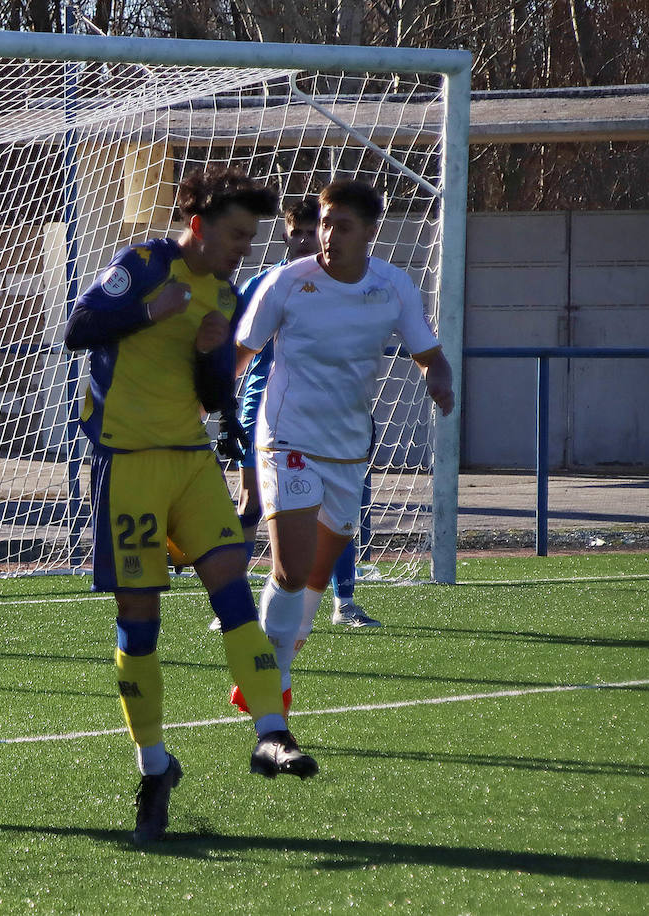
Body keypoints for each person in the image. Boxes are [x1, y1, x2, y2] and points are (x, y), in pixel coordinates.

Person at [65, 165, 318, 845]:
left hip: (189, 462)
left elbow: (213, 398)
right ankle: (154, 768)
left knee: (231, 590)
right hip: (128, 464)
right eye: (236, 235)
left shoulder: (226, 298)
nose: (243, 248)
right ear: (200, 225)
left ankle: (271, 732)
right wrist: (149, 312)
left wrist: (212, 359)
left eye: (250, 237)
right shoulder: (144, 264)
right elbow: (81, 326)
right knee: (138, 617)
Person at [233, 179, 454, 711]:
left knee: (312, 575)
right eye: (326, 222)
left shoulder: (393, 286)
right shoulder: (285, 283)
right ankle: (270, 683)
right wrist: (200, 411)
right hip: (285, 436)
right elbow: (240, 354)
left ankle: (273, 667)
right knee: (289, 566)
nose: (329, 234)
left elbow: (428, 351)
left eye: (342, 226)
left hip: (348, 446)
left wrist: (440, 377)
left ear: (370, 233)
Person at [221, 197, 377, 714]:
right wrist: (222, 407)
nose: (308, 241)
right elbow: (236, 343)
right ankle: (238, 607)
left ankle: (342, 598)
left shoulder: (359, 286)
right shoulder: (270, 282)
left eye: (317, 231)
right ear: (287, 236)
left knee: (338, 522)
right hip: (265, 417)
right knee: (251, 508)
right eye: (300, 233)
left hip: (330, 430)